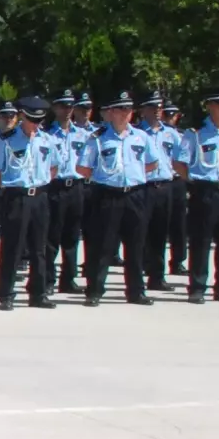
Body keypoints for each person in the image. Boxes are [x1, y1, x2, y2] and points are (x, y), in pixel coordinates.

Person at [77, 90, 160, 306]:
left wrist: (134, 175)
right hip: (108, 195)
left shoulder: (142, 137)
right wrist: (104, 178)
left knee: (136, 245)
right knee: (101, 245)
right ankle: (94, 290)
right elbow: (83, 167)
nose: (125, 113)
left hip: (135, 194)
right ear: (111, 112)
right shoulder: (98, 138)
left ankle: (136, 292)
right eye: (121, 109)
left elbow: (152, 163)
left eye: (129, 109)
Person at [0, 97, 62, 311]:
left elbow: (53, 167)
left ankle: (38, 293)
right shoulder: (7, 140)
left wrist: (40, 184)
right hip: (16, 197)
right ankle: (6, 294)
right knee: (13, 246)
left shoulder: (46, 140)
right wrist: (12, 186)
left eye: (39, 120)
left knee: (39, 247)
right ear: (22, 116)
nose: (35, 124)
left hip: (39, 196)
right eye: (31, 120)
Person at [175, 87, 219, 304]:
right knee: (201, 240)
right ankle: (197, 286)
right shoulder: (195, 133)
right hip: (205, 190)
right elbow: (179, 163)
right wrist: (195, 180)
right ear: (210, 106)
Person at [136, 93, 183, 292]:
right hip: (143, 187)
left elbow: (180, 158)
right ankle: (137, 276)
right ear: (143, 110)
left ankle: (157, 276)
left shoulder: (171, 133)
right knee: (139, 234)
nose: (157, 110)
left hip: (165, 187)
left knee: (159, 233)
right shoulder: (136, 133)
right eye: (152, 106)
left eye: (159, 106)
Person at [47, 90, 88, 296]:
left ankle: (68, 278)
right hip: (55, 186)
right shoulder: (46, 133)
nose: (67, 110)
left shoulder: (83, 134)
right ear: (55, 108)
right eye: (63, 106)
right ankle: (48, 279)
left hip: (77, 187)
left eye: (71, 106)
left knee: (72, 236)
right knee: (51, 235)